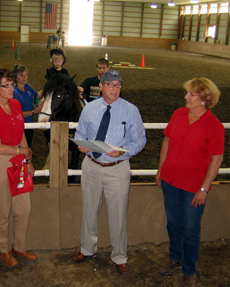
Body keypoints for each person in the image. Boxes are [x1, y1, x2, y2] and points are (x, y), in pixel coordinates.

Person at [72, 70, 147, 276]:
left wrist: (125, 151)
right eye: (110, 85)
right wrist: (81, 146)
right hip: (91, 165)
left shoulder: (131, 111)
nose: (114, 89)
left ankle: (120, 256)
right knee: (89, 210)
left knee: (118, 214)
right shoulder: (89, 108)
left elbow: (140, 139)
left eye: (118, 85)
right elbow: (80, 132)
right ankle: (87, 249)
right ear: (101, 85)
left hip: (117, 168)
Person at [155, 78, 224, 287]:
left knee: (191, 228)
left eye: (191, 94)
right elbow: (166, 140)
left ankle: (189, 268)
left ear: (204, 99)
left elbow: (216, 159)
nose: (186, 97)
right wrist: (161, 169)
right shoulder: (178, 114)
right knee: (173, 222)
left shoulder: (215, 126)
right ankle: (175, 258)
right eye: (187, 93)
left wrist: (204, 188)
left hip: (194, 188)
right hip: (170, 181)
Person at [0, 68, 37, 268]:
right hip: (1, 162)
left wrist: (27, 160)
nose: (12, 88)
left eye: (12, 84)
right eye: (7, 85)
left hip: (18, 160)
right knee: (3, 210)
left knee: (23, 208)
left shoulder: (15, 105)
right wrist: (21, 152)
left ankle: (19, 246)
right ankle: (3, 249)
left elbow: (21, 132)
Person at [13, 65, 43, 147]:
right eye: (21, 75)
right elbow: (17, 114)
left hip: (29, 125)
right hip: (19, 127)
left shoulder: (28, 87)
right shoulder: (14, 93)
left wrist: (48, 87)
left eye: (25, 75)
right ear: (15, 78)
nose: (24, 77)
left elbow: (38, 95)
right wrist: (33, 112)